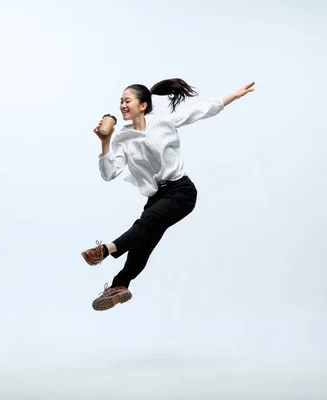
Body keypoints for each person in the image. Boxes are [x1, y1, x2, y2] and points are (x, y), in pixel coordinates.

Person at [82, 78, 255, 311]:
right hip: (156, 196)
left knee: (145, 223)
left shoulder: (163, 122)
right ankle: (119, 285)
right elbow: (109, 173)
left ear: (142, 105)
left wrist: (234, 96)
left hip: (181, 190)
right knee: (142, 242)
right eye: (120, 101)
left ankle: (105, 250)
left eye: (127, 100)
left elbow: (199, 111)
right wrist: (105, 142)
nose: (122, 105)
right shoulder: (122, 137)